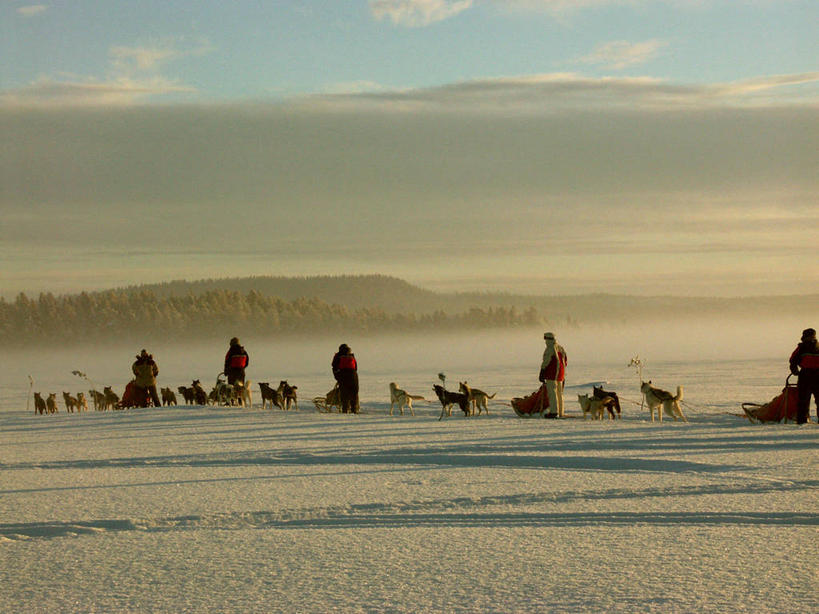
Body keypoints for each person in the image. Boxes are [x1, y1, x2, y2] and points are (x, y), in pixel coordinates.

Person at [789, 328, 819, 425]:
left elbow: (793, 360)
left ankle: (802, 421)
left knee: (803, 400)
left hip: (805, 376)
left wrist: (795, 371)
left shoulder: (801, 348)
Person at [539, 332, 567, 418]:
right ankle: (560, 411)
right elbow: (565, 361)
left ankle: (554, 412)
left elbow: (546, 361)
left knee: (552, 393)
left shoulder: (550, 349)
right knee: (559, 393)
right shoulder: (560, 348)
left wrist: (542, 372)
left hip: (552, 374)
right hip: (561, 374)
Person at [332, 343, 359, 414]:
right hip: (353, 375)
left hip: (343, 375)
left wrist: (337, 378)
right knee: (354, 393)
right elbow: (355, 367)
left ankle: (345, 410)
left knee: (344, 394)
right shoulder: (351, 356)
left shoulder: (338, 356)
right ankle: (354, 409)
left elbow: (334, 366)